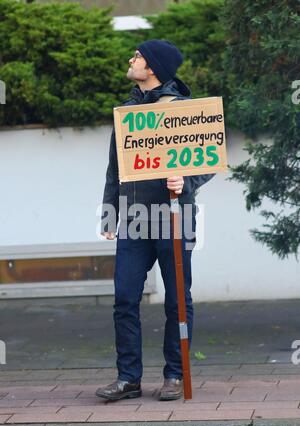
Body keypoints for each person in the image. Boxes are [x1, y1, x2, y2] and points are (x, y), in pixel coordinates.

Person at [96, 40, 215, 401]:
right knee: (124, 298)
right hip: (132, 218)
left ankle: (175, 376)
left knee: (177, 300)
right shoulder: (128, 111)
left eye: (137, 56)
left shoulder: (183, 109)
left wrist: (187, 180)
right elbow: (115, 169)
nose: (131, 59)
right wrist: (109, 213)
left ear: (153, 68)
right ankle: (128, 378)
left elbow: (208, 159)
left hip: (175, 216)